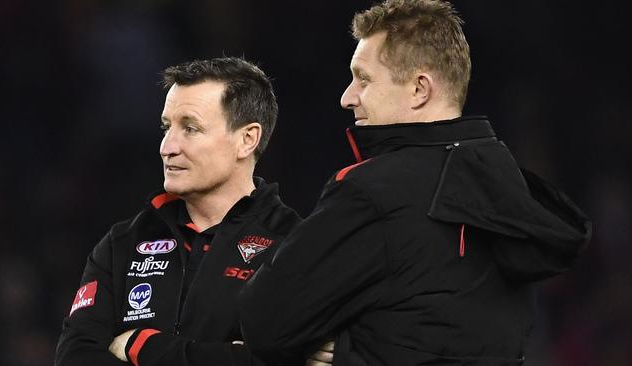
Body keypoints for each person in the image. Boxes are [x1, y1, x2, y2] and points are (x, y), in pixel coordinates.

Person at [238, 1, 592, 365]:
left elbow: (264, 322)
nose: (348, 97)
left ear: (420, 89)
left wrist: (342, 349)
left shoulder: (374, 190)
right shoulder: (507, 184)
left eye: (364, 78)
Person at [55, 57, 331, 366]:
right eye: (166, 127)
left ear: (246, 139)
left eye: (190, 128)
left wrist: (141, 345)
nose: (167, 146)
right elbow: (74, 357)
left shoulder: (294, 246)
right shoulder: (123, 243)